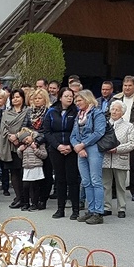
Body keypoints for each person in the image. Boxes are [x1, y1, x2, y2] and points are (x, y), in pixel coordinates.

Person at [71, 89, 107, 224]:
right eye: (76, 101)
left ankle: (98, 212)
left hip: (94, 148)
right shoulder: (79, 115)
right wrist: (77, 146)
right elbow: (73, 135)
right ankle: (91, 210)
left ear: (87, 99)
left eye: (79, 100)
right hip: (81, 149)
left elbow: (99, 132)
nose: (77, 103)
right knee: (86, 181)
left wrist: (83, 144)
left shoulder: (97, 113)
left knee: (96, 180)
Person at [43, 87, 80, 219]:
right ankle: (60, 209)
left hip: (72, 149)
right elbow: (47, 131)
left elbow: (79, 130)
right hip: (56, 149)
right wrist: (58, 146)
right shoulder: (51, 111)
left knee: (72, 179)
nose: (69, 98)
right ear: (60, 97)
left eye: (71, 96)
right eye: (66, 96)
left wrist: (70, 146)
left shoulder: (76, 111)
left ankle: (75, 209)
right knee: (60, 179)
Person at [102, 100, 134, 219]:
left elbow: (132, 143)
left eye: (117, 110)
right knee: (105, 184)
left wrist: (117, 149)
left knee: (121, 185)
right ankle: (106, 207)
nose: (114, 112)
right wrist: (105, 147)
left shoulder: (128, 126)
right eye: (113, 109)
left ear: (122, 113)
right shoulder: (104, 124)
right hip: (106, 158)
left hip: (120, 159)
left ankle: (121, 208)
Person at [0, 88, 30, 209]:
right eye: (13, 97)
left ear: (23, 98)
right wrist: (11, 137)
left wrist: (18, 136)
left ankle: (25, 198)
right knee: (14, 172)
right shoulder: (7, 112)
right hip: (9, 145)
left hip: (23, 145)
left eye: (18, 97)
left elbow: (28, 127)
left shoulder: (27, 111)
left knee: (23, 172)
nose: (15, 99)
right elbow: (3, 128)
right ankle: (18, 197)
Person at [29, 88, 53, 208]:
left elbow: (48, 130)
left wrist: (37, 139)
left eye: (40, 98)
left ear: (45, 99)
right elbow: (26, 127)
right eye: (35, 98)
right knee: (34, 173)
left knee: (46, 174)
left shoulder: (49, 112)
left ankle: (43, 199)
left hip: (46, 146)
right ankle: (34, 199)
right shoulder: (30, 112)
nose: (37, 100)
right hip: (32, 145)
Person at [16, 129, 47, 211]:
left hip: (35, 166)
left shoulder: (38, 143)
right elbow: (21, 157)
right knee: (25, 186)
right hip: (27, 167)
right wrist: (19, 151)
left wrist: (35, 149)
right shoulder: (25, 146)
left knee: (34, 186)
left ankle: (34, 203)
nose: (26, 141)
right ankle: (26, 203)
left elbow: (44, 155)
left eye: (27, 139)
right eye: (24, 141)